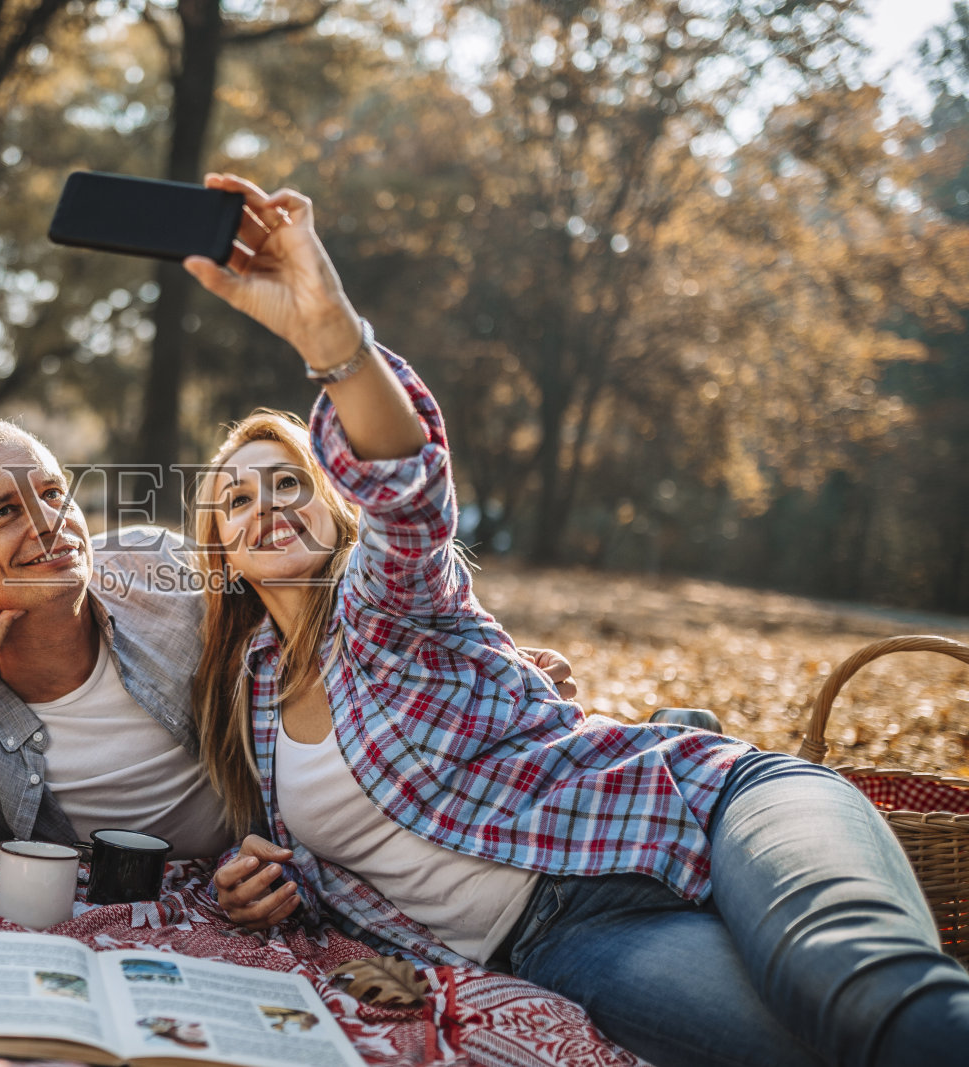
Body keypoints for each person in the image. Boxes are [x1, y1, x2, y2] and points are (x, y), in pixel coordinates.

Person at [183, 172, 969, 1067]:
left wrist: (329, 334)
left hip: (702, 803)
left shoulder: (382, 599)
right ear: (223, 552)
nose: (267, 505)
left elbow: (408, 495)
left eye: (290, 482)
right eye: (235, 498)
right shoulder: (250, 691)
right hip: (567, 940)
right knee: (792, 1047)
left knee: (868, 997)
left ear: (333, 508)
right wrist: (275, 884)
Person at [0, 415, 581, 891]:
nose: (49, 524)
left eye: (52, 493)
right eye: (3, 514)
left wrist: (465, 656)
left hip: (347, 811)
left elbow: (305, 572)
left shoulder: (158, 571)